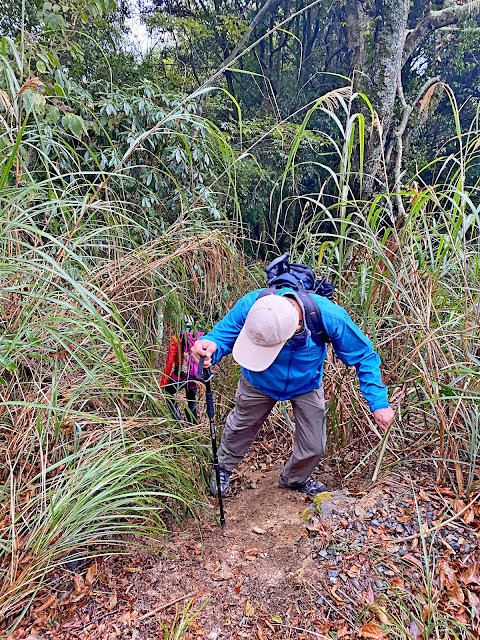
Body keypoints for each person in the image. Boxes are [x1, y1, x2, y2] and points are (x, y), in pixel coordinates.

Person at [191, 288, 395, 497]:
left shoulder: (329, 317)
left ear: (297, 327)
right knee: (239, 428)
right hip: (258, 380)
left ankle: (293, 479)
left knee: (314, 445)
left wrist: (378, 403)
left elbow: (363, 356)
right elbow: (223, 335)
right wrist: (210, 347)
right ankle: (223, 469)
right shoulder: (253, 305)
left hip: (306, 383)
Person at [160, 328, 204, 424]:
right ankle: (193, 423)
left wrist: (164, 381)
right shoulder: (199, 339)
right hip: (193, 378)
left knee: (167, 392)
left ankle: (177, 421)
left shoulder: (176, 339)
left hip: (178, 377)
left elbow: (169, 361)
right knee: (191, 400)